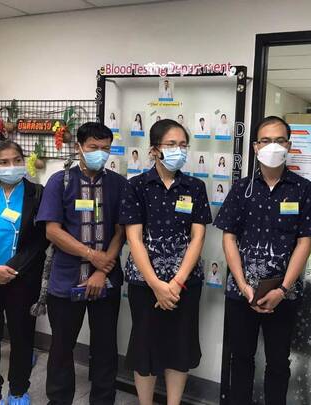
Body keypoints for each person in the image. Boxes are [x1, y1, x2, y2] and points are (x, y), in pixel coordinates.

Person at [213, 116, 311, 405]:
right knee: (240, 358)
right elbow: (228, 238)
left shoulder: (303, 189)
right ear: (255, 147)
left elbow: (304, 243)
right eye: (265, 141)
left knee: (278, 362)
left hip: (283, 294)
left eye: (279, 140)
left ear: (288, 146)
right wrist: (242, 285)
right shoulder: (242, 189)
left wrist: (283, 289)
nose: (272, 146)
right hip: (242, 293)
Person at [120, 119, 212, 405]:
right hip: (145, 283)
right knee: (145, 349)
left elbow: (198, 237)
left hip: (185, 284)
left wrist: (176, 283)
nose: (178, 150)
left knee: (179, 348)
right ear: (154, 150)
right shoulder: (136, 186)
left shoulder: (195, 187)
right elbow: (134, 239)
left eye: (183, 145)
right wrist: (157, 285)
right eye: (171, 144)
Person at [36, 122, 127, 405]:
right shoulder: (60, 181)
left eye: (105, 148)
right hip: (66, 281)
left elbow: (121, 231)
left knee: (105, 348)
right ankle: (59, 400)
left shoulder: (118, 184)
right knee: (62, 348)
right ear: (79, 148)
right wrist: (91, 255)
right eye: (93, 147)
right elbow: (52, 231)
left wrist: (101, 269)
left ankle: (103, 400)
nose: (100, 153)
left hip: (106, 280)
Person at [0, 140, 48, 405]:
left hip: (23, 278)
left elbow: (41, 238)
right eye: (4, 162)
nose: (12, 166)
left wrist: (13, 268)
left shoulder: (38, 193)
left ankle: (18, 390)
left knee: (22, 336)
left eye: (17, 160)